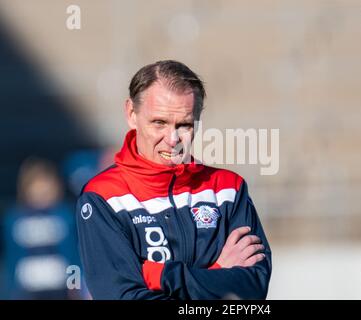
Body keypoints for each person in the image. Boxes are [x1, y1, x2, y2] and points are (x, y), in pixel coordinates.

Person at [76, 60, 272, 300]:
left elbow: (252, 290)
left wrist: (158, 275)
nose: (172, 138)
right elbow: (121, 296)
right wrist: (217, 272)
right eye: (159, 122)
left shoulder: (229, 189)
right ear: (131, 114)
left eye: (184, 125)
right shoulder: (102, 197)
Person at [2, 157, 82, 299]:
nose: (42, 192)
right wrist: (11, 291)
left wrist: (74, 286)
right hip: (27, 290)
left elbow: (73, 256)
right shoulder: (14, 219)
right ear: (26, 188)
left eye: (46, 187)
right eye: (36, 187)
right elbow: (12, 258)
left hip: (60, 288)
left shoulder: (65, 216)